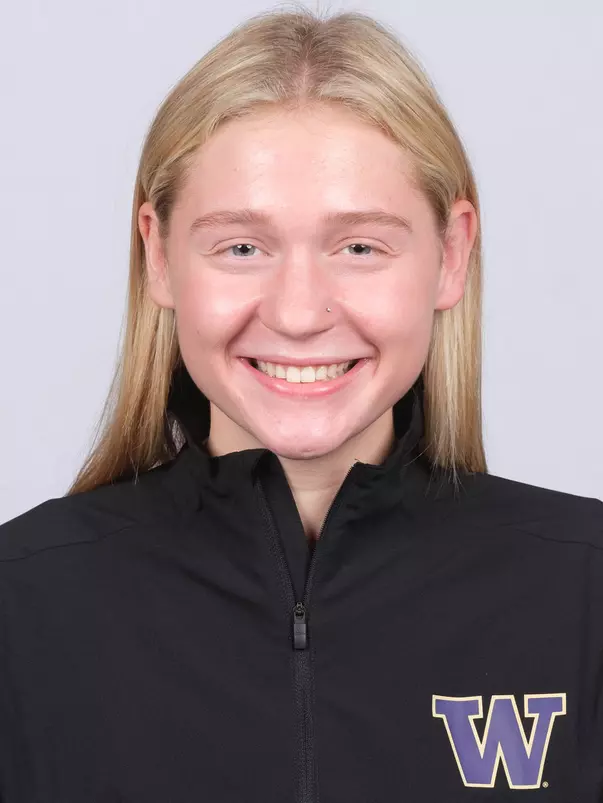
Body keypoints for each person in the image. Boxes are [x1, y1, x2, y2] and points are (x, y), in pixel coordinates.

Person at [0, 5, 601, 802]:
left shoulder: (584, 597)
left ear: (450, 255)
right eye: (241, 247)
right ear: (159, 256)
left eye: (359, 246)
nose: (296, 310)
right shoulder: (21, 610)